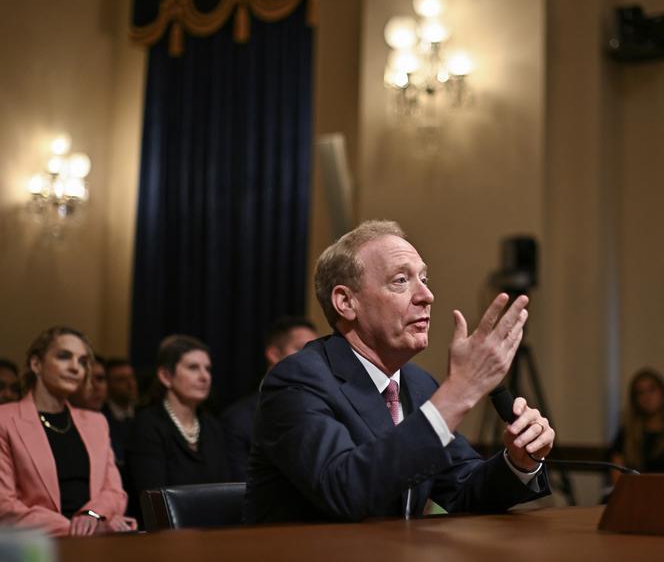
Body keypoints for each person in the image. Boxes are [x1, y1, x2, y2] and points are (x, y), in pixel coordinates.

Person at [244, 220, 553, 523]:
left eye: (424, 279)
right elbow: (345, 491)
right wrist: (460, 391)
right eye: (401, 281)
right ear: (346, 302)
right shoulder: (297, 380)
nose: (426, 296)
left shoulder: (418, 384)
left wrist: (518, 462)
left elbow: (464, 488)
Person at [0, 327, 135, 536]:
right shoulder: (5, 419)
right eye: (64, 357)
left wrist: (93, 515)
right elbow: (5, 507)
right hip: (37, 544)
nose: (75, 368)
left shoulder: (96, 422)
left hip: (97, 537)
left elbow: (114, 492)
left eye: (82, 361)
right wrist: (78, 529)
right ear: (36, 364)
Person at [125, 335, 229, 522]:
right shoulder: (147, 425)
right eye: (193, 367)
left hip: (214, 531)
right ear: (166, 376)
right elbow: (154, 499)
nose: (204, 376)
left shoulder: (213, 427)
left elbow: (227, 492)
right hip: (165, 537)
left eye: (207, 368)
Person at [220, 317, 318, 480]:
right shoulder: (237, 419)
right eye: (302, 348)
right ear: (273, 354)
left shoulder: (328, 406)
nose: (313, 358)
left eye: (316, 351)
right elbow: (237, 489)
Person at [609, 368, 664, 478]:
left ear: (663, 392)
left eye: (652, 389)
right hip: (633, 493)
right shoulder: (626, 436)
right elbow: (618, 482)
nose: (647, 397)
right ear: (635, 400)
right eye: (640, 392)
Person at [101, 358, 137, 473]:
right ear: (108, 384)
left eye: (131, 377)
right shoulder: (101, 419)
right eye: (121, 380)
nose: (130, 384)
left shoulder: (144, 415)